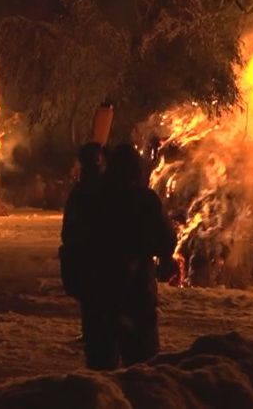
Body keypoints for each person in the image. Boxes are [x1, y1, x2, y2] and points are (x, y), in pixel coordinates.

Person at [61, 143, 176, 370]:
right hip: (134, 292)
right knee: (142, 363)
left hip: (97, 291)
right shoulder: (144, 199)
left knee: (101, 360)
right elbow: (165, 239)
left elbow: (70, 237)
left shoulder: (86, 196)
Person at [59, 143, 106, 307]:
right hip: (99, 260)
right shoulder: (109, 189)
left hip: (89, 260)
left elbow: (67, 232)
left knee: (92, 305)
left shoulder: (80, 192)